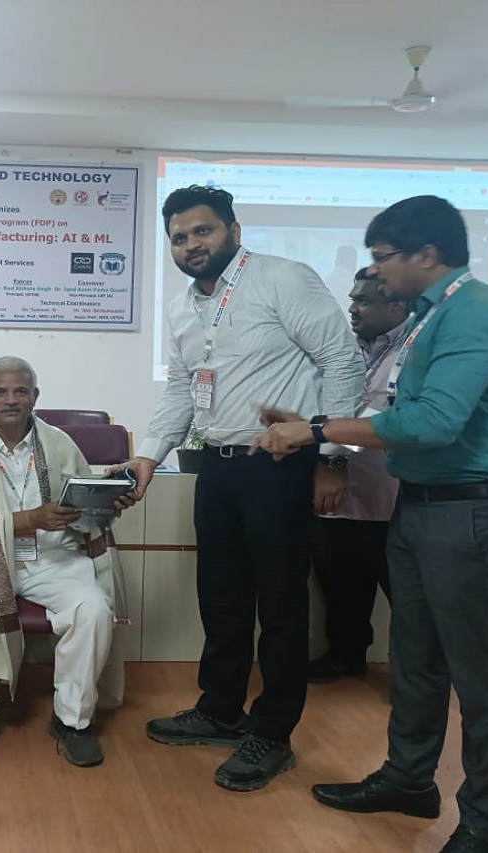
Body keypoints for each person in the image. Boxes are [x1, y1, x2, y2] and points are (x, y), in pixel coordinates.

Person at [253, 195, 488, 853]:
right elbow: (395, 407)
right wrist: (312, 423)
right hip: (423, 504)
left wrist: (316, 431)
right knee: (415, 659)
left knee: (478, 675)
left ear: (426, 253)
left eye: (384, 257)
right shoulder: (431, 314)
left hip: (474, 508)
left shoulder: (477, 311)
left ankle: (486, 826)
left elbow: (434, 422)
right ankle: (409, 780)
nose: (377, 272)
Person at [118, 185, 364, 792]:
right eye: (179, 238)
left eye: (202, 231)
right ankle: (221, 708)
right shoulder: (183, 307)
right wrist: (149, 454)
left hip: (278, 463)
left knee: (279, 602)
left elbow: (342, 360)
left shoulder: (282, 279)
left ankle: (272, 732)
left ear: (233, 230)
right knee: (221, 594)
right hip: (216, 464)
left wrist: (331, 456)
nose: (191, 245)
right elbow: (182, 389)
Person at [0, 356, 136, 769]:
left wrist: (107, 504)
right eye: (0, 392)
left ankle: (72, 720)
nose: (11, 400)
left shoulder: (59, 443)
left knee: (92, 610)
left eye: (21, 391)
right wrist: (28, 520)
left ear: (35, 396)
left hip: (51, 558)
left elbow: (83, 510)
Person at [308, 267, 409, 683]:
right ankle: (346, 656)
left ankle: (413, 678)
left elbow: (390, 419)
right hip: (342, 496)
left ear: (397, 305)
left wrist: (334, 450)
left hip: (395, 498)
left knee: (407, 597)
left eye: (364, 300)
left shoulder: (415, 350)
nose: (352, 308)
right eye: (352, 299)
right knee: (342, 586)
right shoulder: (343, 351)